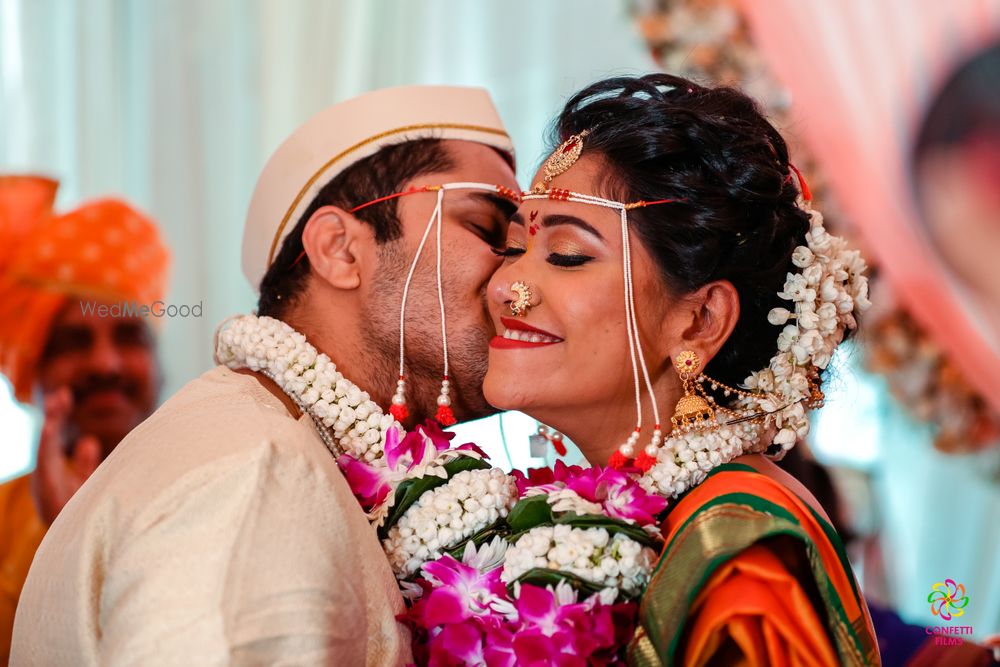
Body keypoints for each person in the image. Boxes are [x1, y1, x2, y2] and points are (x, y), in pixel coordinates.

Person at [12, 85, 519, 665]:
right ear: (341, 250)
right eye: (486, 228)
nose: (517, 280)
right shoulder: (252, 474)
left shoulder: (285, 450)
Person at [484, 74, 880, 665]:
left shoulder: (739, 548)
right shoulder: (661, 508)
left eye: (567, 255)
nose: (506, 289)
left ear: (699, 321)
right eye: (514, 249)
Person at [0, 175, 168, 663]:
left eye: (129, 337)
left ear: (156, 364)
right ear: (35, 369)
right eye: (75, 342)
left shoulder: (216, 490)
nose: (105, 364)